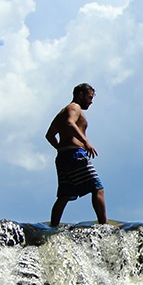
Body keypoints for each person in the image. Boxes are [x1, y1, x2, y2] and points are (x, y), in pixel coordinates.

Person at [45, 83, 107, 226]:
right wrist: (85, 142)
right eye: (90, 97)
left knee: (64, 195)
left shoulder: (62, 111)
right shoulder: (74, 107)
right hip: (75, 155)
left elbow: (49, 135)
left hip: (63, 157)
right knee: (97, 188)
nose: (91, 101)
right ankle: (104, 226)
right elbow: (70, 123)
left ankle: (52, 227)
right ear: (80, 94)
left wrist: (61, 148)